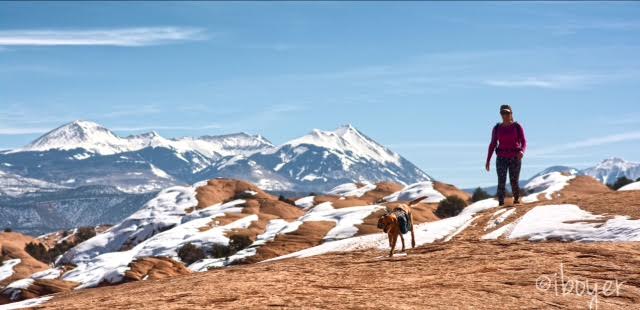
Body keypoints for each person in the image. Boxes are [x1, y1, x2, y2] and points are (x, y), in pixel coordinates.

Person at [485, 104, 527, 206]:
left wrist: (522, 151)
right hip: (501, 157)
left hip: (515, 157)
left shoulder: (517, 127)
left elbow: (524, 141)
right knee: (501, 181)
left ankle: (516, 200)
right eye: (503, 113)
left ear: (511, 113)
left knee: (514, 181)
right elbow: (493, 144)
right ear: (500, 114)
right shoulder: (497, 128)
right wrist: (488, 160)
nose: (505, 115)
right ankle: (501, 203)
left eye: (507, 112)